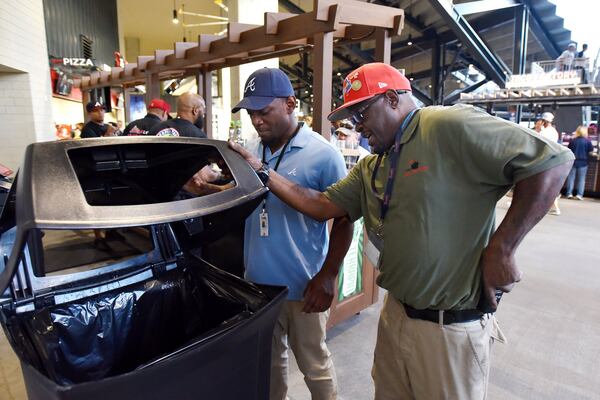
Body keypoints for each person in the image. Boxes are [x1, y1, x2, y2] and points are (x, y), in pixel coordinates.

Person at [229, 62, 574, 400]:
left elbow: (552, 161)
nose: (357, 127)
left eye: (361, 114)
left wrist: (503, 247)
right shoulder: (373, 164)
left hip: (448, 325)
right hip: (395, 313)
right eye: (351, 118)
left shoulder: (444, 124)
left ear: (393, 99)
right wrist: (261, 171)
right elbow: (320, 205)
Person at [231, 67, 352, 400]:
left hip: (304, 285)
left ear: (290, 103)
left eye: (264, 111)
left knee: (314, 365)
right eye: (251, 112)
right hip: (259, 285)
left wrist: (328, 276)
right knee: (269, 365)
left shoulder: (323, 154)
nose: (256, 120)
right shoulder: (254, 148)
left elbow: (344, 219)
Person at [538, 112, 562, 215]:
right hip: (552, 160)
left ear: (544, 121)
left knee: (542, 184)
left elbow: (538, 142)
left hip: (543, 160)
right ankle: (555, 207)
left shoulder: (544, 132)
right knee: (548, 184)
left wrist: (538, 130)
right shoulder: (554, 131)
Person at [565, 125, 594, 200]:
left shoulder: (573, 140)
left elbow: (569, 151)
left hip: (573, 161)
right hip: (583, 162)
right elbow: (591, 152)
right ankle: (579, 195)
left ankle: (569, 193)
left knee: (571, 178)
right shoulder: (587, 141)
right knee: (581, 179)